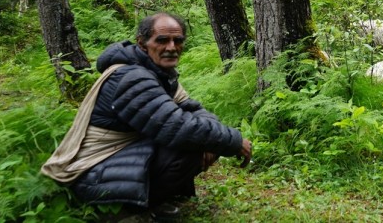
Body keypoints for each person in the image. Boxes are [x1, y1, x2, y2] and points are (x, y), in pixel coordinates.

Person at [41, 12, 252, 220]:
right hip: (89, 173)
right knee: (188, 148)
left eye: (177, 40)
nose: (171, 47)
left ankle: (145, 202)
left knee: (200, 139)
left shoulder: (157, 72)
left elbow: (192, 109)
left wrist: (213, 140)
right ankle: (125, 212)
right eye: (162, 40)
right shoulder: (132, 77)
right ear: (142, 44)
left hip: (113, 163)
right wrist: (232, 141)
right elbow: (177, 127)